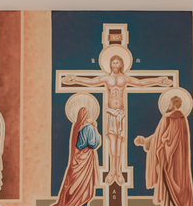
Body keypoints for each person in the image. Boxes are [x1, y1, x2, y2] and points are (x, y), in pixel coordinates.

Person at [62, 55, 171, 185]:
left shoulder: (124, 78)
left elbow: (140, 83)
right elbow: (91, 82)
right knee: (112, 146)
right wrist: (75, 79)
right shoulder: (106, 78)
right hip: (110, 114)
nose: (115, 64)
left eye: (117, 62)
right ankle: (111, 171)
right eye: (113, 62)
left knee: (118, 147)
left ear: (121, 65)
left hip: (120, 115)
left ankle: (117, 171)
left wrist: (158, 81)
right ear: (110, 64)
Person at [134, 94, 193, 206]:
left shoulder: (169, 118)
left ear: (173, 105)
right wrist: (147, 141)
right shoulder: (182, 119)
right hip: (179, 161)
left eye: (170, 104)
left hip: (170, 160)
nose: (169, 106)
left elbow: (162, 138)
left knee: (172, 186)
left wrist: (145, 142)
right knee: (180, 186)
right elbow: (162, 136)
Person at [36, 105, 101, 206]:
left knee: (76, 187)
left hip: (76, 161)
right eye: (87, 113)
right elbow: (93, 144)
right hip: (85, 161)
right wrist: (95, 129)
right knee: (83, 187)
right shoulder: (89, 128)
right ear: (85, 115)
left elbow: (77, 144)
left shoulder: (76, 126)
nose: (88, 115)